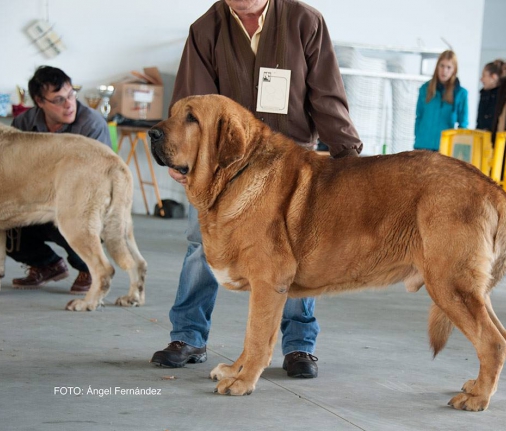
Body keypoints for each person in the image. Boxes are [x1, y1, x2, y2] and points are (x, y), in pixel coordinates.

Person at [150, 0, 363, 379]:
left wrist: (348, 156)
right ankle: (188, 335)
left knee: (298, 249)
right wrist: (182, 157)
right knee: (201, 241)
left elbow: (326, 94)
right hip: (223, 167)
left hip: (292, 161)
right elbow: (191, 102)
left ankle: (299, 346)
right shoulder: (205, 30)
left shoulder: (304, 21)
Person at [7, 66, 112, 293]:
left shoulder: (92, 125)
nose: (69, 104)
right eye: (59, 100)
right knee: (5, 223)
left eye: (72, 95)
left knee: (67, 218)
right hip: (34, 199)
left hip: (78, 202)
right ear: (39, 101)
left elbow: (97, 181)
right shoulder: (23, 124)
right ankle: (47, 264)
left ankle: (89, 268)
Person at [414, 50, 468, 151]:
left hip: (445, 148)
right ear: (437, 67)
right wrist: (418, 137)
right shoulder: (424, 89)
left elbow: (463, 124)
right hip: (422, 147)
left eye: (448, 67)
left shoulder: (461, 93)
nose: (444, 71)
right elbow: (419, 116)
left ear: (454, 70)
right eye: (442, 66)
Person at [476, 59, 506, 130]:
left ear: (493, 77)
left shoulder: (503, 96)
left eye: (484, 76)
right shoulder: (483, 94)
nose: (481, 79)